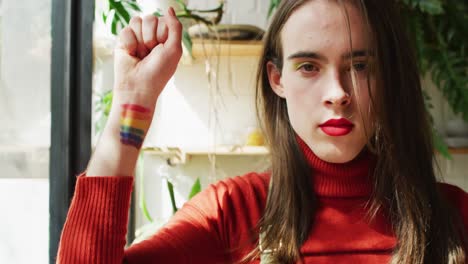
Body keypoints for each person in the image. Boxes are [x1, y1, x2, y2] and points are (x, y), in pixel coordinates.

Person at [57, 0, 468, 263]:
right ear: (277, 79)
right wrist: (131, 105)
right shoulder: (229, 214)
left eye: (360, 66)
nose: (338, 94)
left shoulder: (455, 219)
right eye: (309, 66)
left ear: (388, 77)